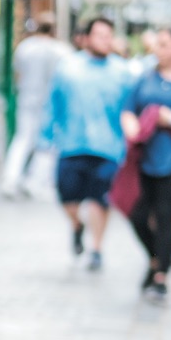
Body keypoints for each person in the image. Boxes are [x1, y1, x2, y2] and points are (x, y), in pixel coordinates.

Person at [41, 16, 133, 270]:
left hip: (109, 148)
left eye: (108, 35)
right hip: (72, 144)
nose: (105, 40)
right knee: (67, 197)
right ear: (87, 38)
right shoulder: (68, 68)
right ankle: (77, 225)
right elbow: (53, 103)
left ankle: (96, 248)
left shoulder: (123, 72)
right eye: (100, 35)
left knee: (100, 200)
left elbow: (131, 110)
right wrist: (46, 136)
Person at [121, 26, 171, 302]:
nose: (158, 50)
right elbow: (128, 109)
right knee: (137, 214)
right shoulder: (145, 79)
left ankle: (160, 274)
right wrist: (132, 127)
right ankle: (155, 258)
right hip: (144, 158)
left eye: (164, 45)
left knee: (165, 215)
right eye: (157, 44)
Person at [2, 12, 68, 198]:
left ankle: (11, 179)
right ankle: (35, 181)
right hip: (50, 102)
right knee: (46, 143)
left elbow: (17, 74)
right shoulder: (61, 50)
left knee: (23, 139)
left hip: (27, 99)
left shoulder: (25, 48)